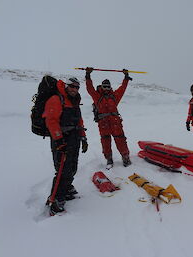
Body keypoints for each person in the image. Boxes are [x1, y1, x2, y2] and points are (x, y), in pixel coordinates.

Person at [43, 77, 88, 215]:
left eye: (77, 87)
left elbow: (79, 120)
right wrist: (58, 141)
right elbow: (51, 120)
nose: (74, 89)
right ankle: (56, 200)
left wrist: (83, 137)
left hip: (74, 139)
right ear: (66, 86)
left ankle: (67, 190)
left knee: (72, 167)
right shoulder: (57, 99)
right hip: (62, 140)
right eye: (72, 86)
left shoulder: (74, 101)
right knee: (63, 169)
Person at [85, 67, 132, 168]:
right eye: (104, 86)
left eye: (108, 87)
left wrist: (126, 77)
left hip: (115, 122)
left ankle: (125, 157)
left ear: (110, 87)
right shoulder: (97, 96)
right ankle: (109, 159)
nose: (106, 88)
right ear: (102, 87)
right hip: (103, 123)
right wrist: (88, 75)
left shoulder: (114, 96)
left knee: (121, 140)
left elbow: (123, 88)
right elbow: (90, 89)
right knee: (105, 141)